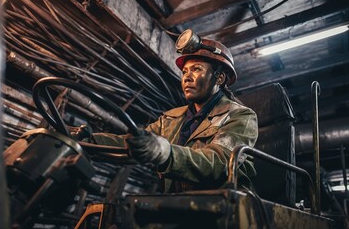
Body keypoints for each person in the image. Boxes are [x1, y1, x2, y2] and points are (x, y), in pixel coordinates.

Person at [90, 29, 258, 193]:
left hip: (223, 208)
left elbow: (219, 163)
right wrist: (88, 140)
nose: (187, 77)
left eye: (197, 69)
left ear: (219, 78)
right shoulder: (171, 119)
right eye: (185, 71)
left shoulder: (240, 116)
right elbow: (133, 143)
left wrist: (165, 153)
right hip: (176, 203)